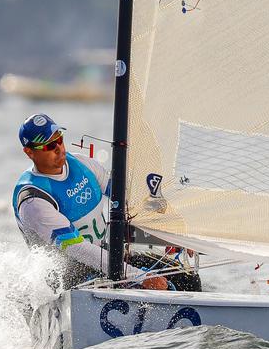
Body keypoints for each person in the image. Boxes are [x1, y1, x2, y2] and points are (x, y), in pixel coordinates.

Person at [12, 113, 167, 290]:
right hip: (67, 278)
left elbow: (126, 197)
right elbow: (77, 248)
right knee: (152, 287)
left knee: (186, 278)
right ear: (29, 152)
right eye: (49, 145)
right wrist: (139, 276)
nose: (59, 148)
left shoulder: (82, 164)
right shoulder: (33, 199)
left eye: (59, 139)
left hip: (104, 257)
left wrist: (176, 234)